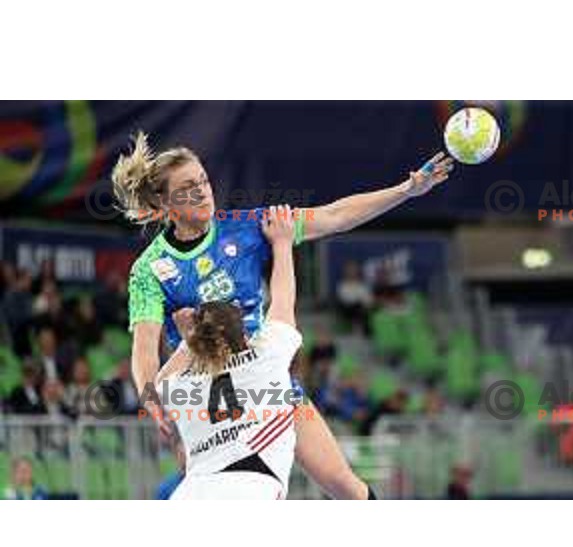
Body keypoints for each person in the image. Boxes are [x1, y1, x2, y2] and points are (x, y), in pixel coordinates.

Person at [115, 132, 453, 500]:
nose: (201, 191)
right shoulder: (150, 269)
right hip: (208, 399)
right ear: (164, 202)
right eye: (186, 188)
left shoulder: (246, 228)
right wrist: (156, 405)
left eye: (204, 181)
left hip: (267, 381)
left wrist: (405, 190)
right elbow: (145, 347)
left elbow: (335, 215)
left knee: (346, 486)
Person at [154, 206, 302, 498]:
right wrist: (283, 244)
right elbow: (283, 301)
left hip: (191, 494)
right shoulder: (266, 358)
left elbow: (160, 379)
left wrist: (188, 341)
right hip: (250, 488)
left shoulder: (182, 386)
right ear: (245, 333)